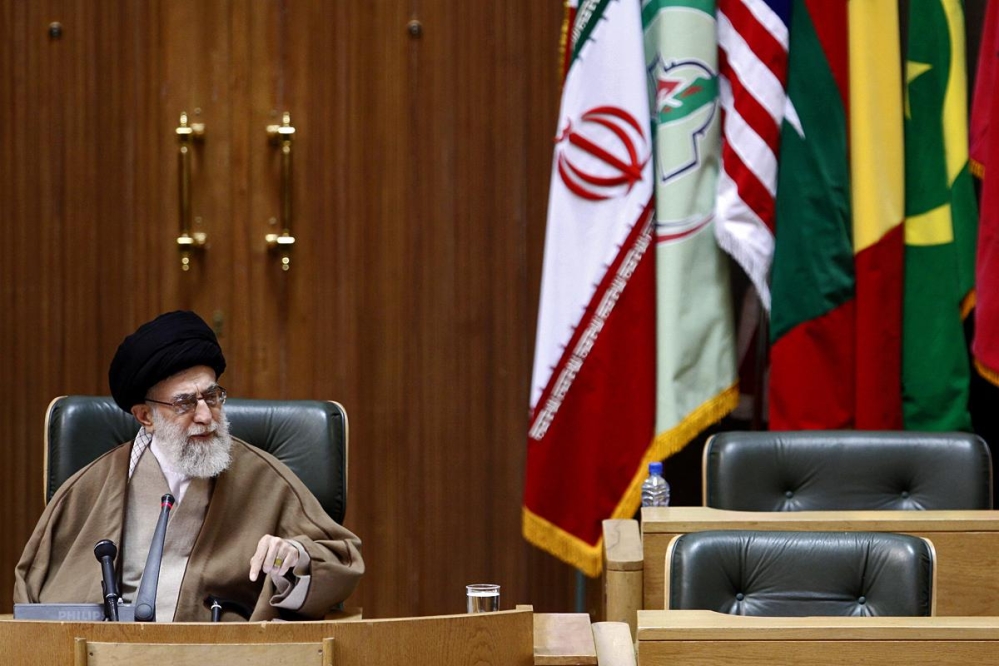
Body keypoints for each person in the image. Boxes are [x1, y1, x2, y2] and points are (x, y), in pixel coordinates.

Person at [13, 310, 364, 621]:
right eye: (185, 403)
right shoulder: (89, 487)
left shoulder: (265, 479)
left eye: (212, 397)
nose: (205, 415)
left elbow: (340, 561)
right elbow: (35, 591)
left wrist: (296, 556)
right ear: (146, 416)